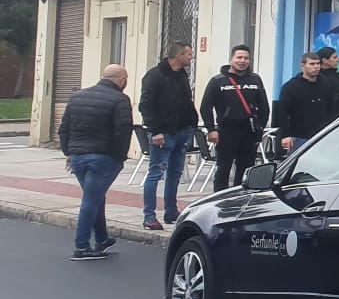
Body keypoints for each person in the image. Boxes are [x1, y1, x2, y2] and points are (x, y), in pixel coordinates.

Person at [61, 65, 133, 260]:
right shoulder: (120, 99)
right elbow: (122, 131)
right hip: (103, 157)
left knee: (95, 197)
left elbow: (64, 128)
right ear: (121, 79)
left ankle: (102, 239)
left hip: (78, 157)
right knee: (91, 200)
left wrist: (69, 152)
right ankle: (81, 247)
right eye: (125, 78)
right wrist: (120, 157)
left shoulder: (77, 97)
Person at [137, 41, 199, 231]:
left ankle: (171, 211)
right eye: (188, 54)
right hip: (162, 133)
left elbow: (185, 101)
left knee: (175, 173)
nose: (191, 57)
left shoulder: (181, 75)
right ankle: (149, 216)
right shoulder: (155, 76)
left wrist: (191, 124)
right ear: (178, 56)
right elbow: (146, 105)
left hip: (182, 130)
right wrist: (155, 130)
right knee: (156, 172)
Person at [200, 45, 271, 190]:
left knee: (246, 169)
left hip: (249, 132)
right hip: (226, 132)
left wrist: (260, 127)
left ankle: (240, 199)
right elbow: (205, 107)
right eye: (239, 57)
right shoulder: (218, 81)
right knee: (223, 169)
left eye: (246, 58)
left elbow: (264, 107)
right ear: (231, 59)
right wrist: (211, 129)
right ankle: (218, 201)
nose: (242, 61)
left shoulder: (255, 80)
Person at [273, 52, 339, 153]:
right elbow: (283, 113)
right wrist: (285, 135)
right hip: (299, 136)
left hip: (324, 134)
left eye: (318, 64)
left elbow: (334, 108)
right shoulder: (291, 87)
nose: (316, 67)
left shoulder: (327, 83)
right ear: (303, 66)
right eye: (312, 64)